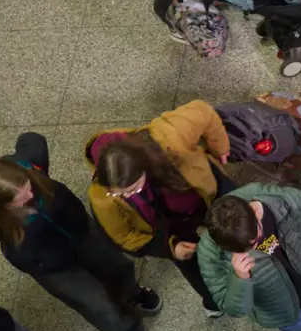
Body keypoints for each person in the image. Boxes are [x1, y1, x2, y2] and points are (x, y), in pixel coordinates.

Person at [0, 135, 159, 331]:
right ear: (1, 206)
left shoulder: (24, 164)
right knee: (96, 304)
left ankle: (133, 292)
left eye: (29, 188)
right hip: (53, 268)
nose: (31, 197)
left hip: (81, 232)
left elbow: (33, 139)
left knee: (115, 265)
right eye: (21, 202)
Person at [86, 101, 234, 317]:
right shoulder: (101, 197)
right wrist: (170, 248)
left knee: (244, 215)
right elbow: (125, 236)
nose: (127, 196)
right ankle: (214, 300)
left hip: (203, 192)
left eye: (133, 188)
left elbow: (203, 112)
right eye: (118, 193)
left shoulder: (167, 135)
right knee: (191, 264)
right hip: (169, 226)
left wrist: (220, 147)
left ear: (145, 168)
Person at [197, 186, 301, 331]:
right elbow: (235, 309)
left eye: (255, 240)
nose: (254, 249)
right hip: (282, 310)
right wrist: (240, 280)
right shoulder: (209, 255)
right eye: (243, 250)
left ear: (255, 211)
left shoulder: (281, 199)